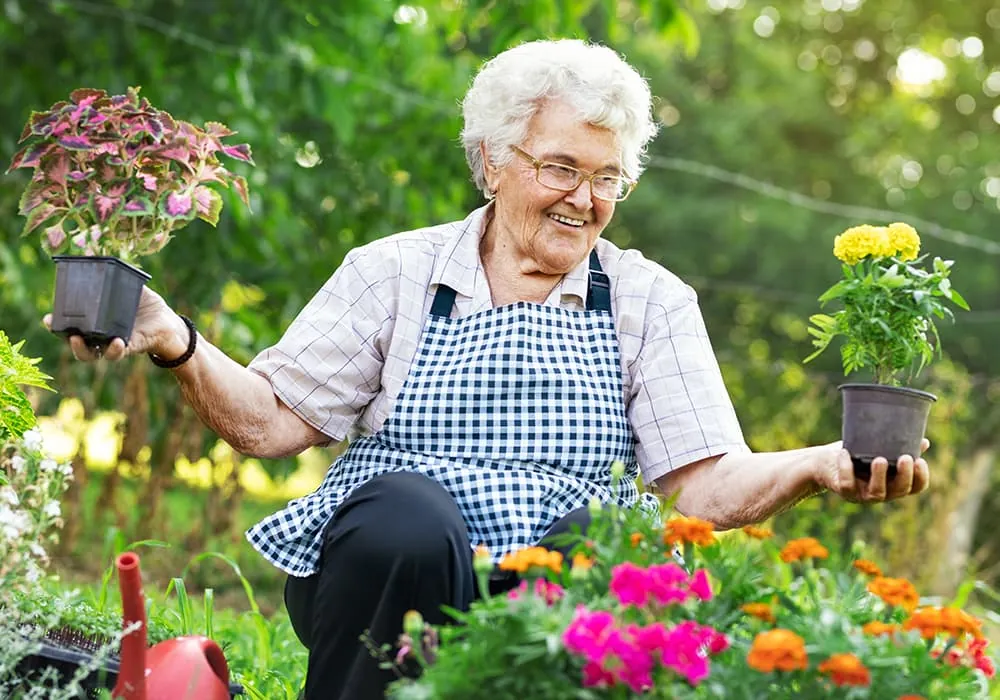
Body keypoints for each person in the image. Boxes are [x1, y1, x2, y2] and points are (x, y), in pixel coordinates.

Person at [50, 39, 930, 699]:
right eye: (561, 168)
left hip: (550, 583)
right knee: (405, 513)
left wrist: (817, 465)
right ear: (491, 162)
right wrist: (175, 337)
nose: (585, 200)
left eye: (608, 178)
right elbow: (271, 423)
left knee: (605, 545)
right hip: (395, 573)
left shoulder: (649, 299)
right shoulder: (393, 270)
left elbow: (704, 485)